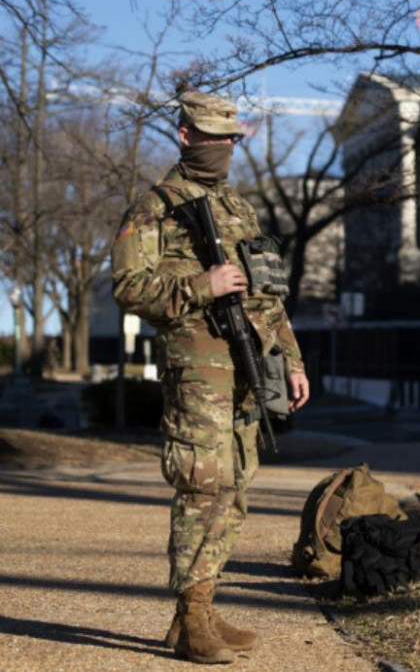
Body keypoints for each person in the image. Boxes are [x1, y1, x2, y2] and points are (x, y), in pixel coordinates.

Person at [111, 90, 309, 664]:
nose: (224, 148)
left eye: (231, 140)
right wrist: (204, 287)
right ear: (185, 135)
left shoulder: (240, 210)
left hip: (248, 369)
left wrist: (291, 360)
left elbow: (270, 297)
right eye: (213, 137)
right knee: (203, 485)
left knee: (237, 487)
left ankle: (198, 612)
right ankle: (192, 617)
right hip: (197, 372)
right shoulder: (155, 207)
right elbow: (128, 289)